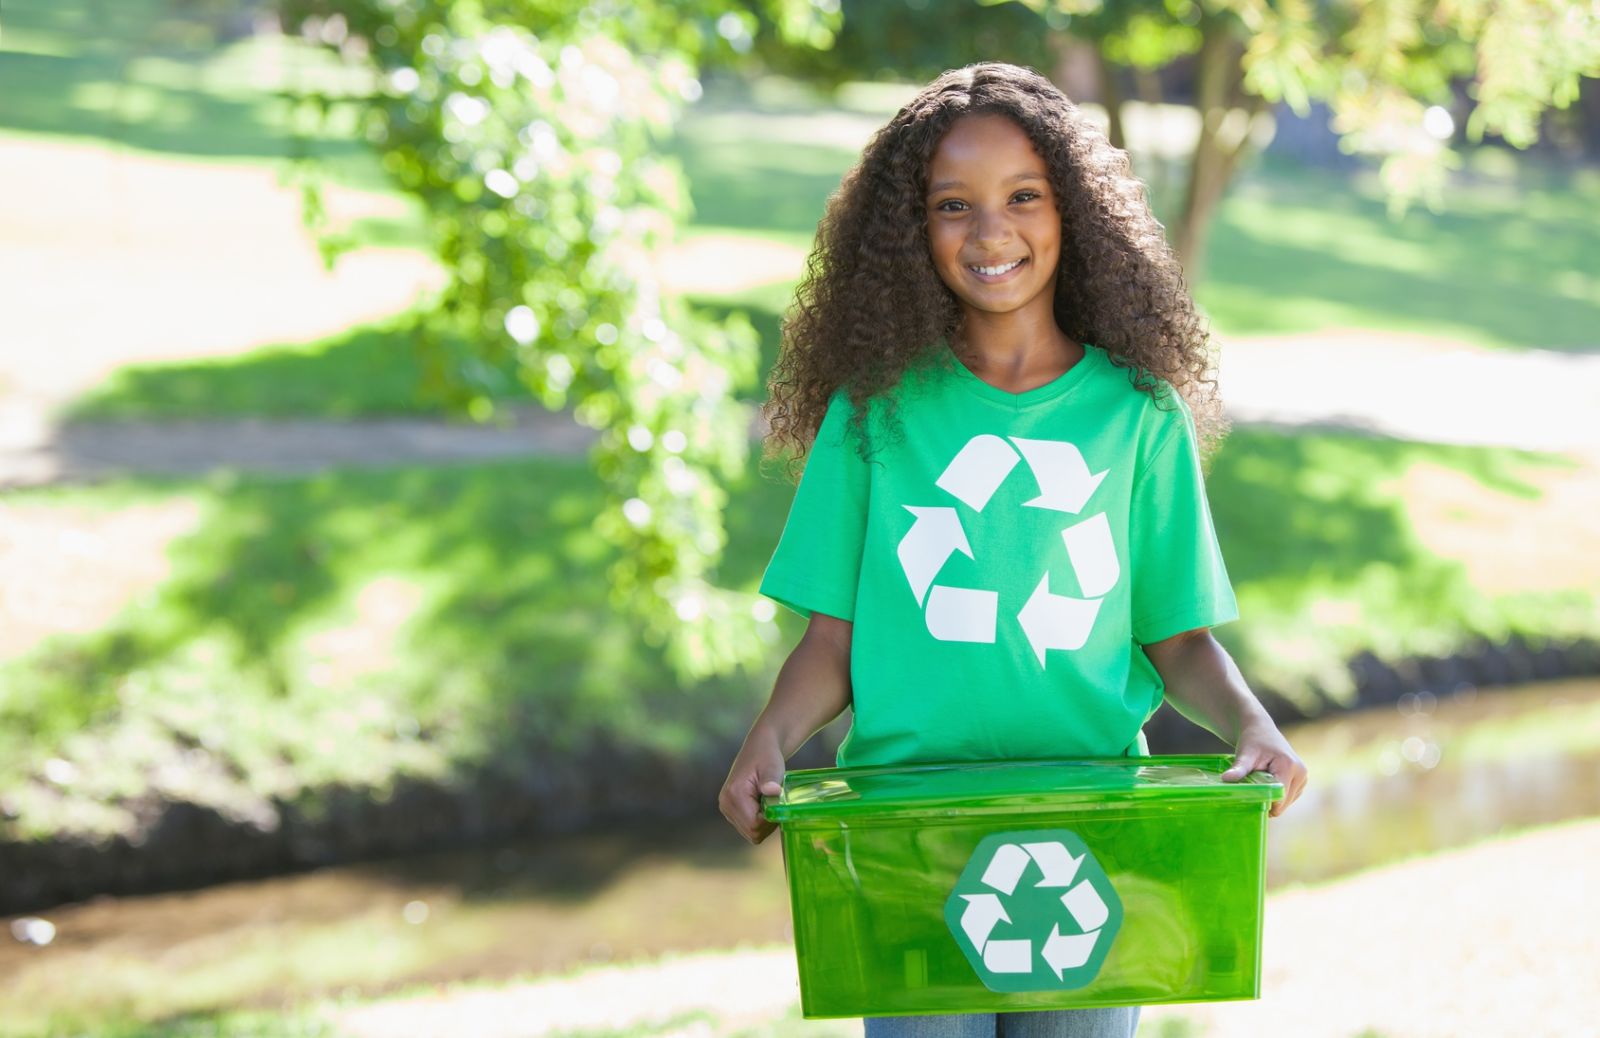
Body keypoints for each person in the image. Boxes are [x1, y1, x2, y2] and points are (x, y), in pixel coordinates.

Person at [718, 62, 1308, 1038]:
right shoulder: (872, 413)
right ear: (910, 231)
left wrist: (1252, 725)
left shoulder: (1137, 417)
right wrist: (769, 739)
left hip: (1087, 822)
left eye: (1022, 197)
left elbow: (1177, 638)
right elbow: (832, 642)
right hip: (906, 829)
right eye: (953, 205)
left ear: (1072, 212)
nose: (991, 231)